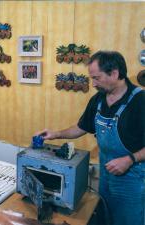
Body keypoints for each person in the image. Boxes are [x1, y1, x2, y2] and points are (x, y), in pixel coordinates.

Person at [36, 51, 145, 225]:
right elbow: (81, 128)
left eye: (97, 78)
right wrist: (55, 134)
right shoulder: (99, 99)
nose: (93, 83)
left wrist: (130, 159)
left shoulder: (140, 101)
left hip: (132, 179)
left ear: (115, 73)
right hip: (106, 173)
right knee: (106, 217)